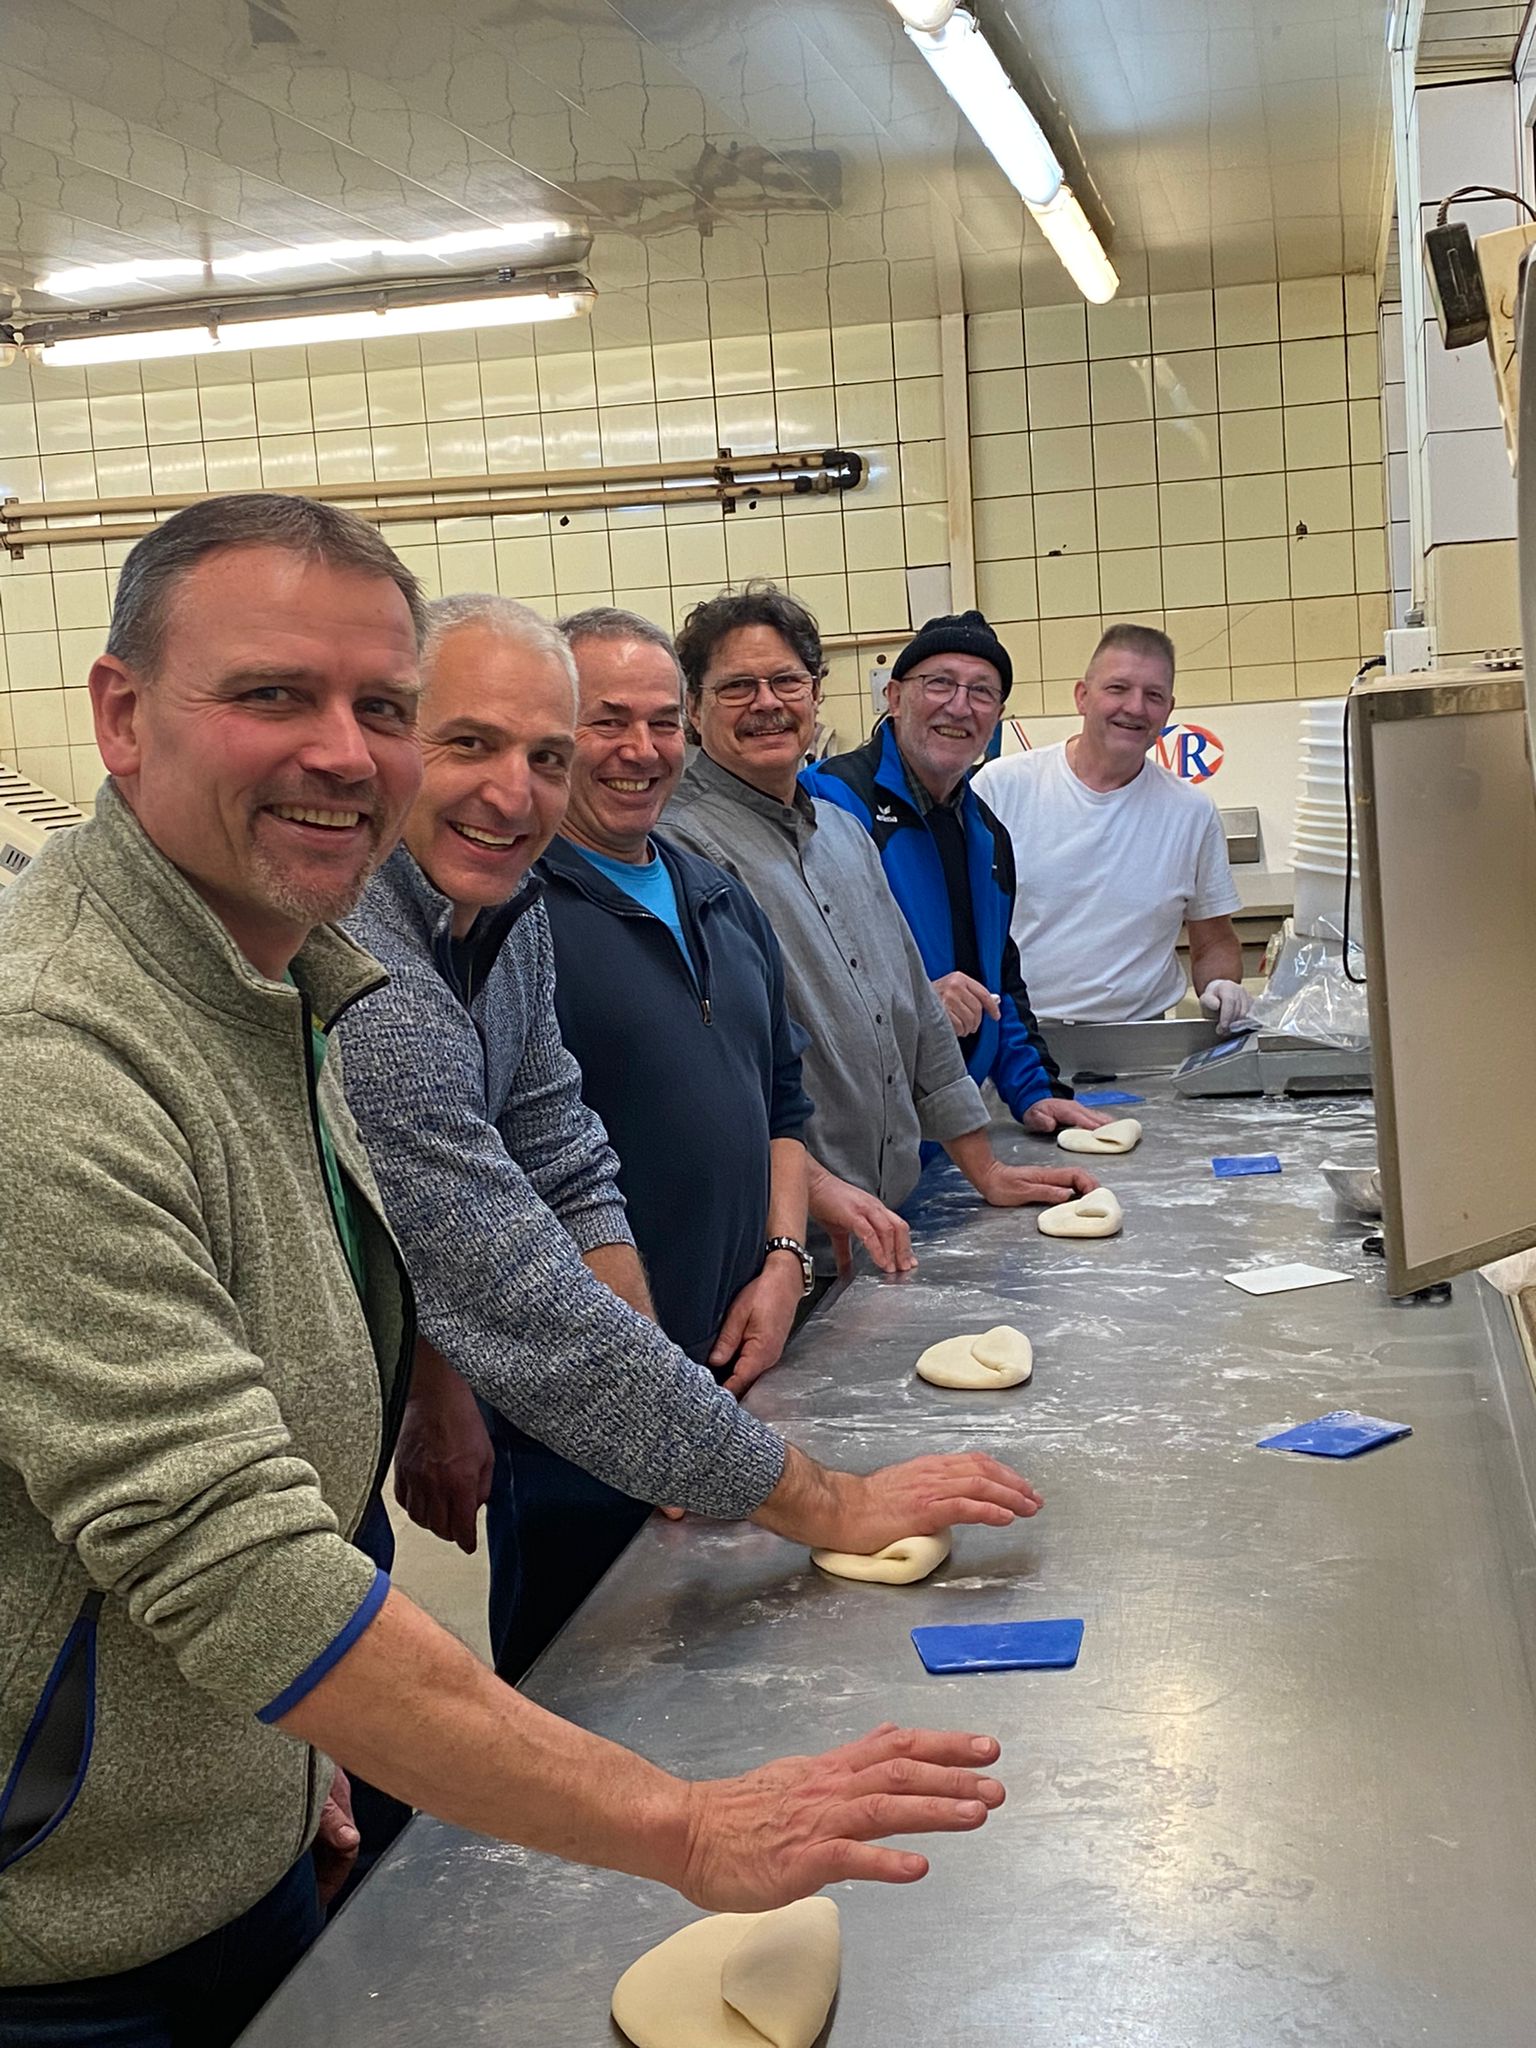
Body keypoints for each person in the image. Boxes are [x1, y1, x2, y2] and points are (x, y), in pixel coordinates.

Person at [0, 497, 1014, 2047]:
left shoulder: (288, 965)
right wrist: (687, 1817)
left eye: (380, 709)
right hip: (67, 1933)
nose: (348, 754)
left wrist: (293, 1754)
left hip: (239, 1818)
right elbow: (239, 1553)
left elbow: (545, 1162)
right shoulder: (60, 1059)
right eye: (274, 694)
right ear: (123, 716)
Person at [338, 593, 1046, 1686]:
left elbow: (567, 1154)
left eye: (543, 752)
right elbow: (490, 1259)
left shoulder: (510, 909)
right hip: (471, 1413)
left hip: (671, 1361)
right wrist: (824, 1498)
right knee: (575, 1676)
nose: (514, 790)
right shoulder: (382, 961)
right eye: (468, 742)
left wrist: (676, 1401)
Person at [662, 581, 1098, 1263]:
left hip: (884, 1216)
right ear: (693, 708)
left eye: (786, 681)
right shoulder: (679, 848)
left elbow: (917, 1014)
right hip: (780, 1241)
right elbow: (716, 1075)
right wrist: (801, 1211)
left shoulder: (843, 833)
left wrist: (984, 1168)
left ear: (815, 695)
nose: (767, 703)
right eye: (737, 687)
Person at [802, 609, 1110, 1137]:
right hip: (853, 1135)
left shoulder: (987, 833)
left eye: (982, 692)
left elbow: (998, 978)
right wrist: (917, 1003)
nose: (960, 706)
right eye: (939, 683)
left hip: (950, 1131)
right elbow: (804, 972)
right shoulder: (828, 802)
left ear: (998, 716)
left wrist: (1035, 1089)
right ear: (895, 698)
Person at [972, 622, 1251, 1030]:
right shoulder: (1001, 788)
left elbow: (1213, 940)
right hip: (1017, 1033)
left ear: (1168, 710)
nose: (1135, 708)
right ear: (1082, 697)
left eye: (1153, 695)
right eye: (1118, 688)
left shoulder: (1191, 813)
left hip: (1138, 1037)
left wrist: (1222, 985)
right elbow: (953, 916)